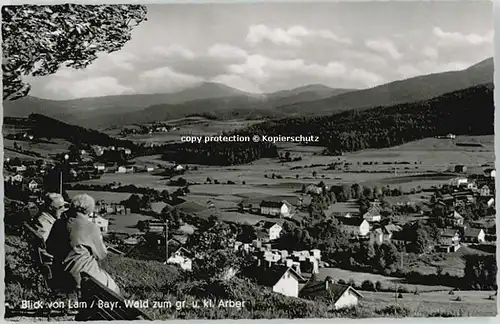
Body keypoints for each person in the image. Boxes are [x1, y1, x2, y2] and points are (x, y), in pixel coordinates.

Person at [47, 194, 121, 295]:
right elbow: (101, 255)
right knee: (112, 286)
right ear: (89, 210)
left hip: (59, 274)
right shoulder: (91, 227)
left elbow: (49, 248)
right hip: (82, 278)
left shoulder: (58, 223)